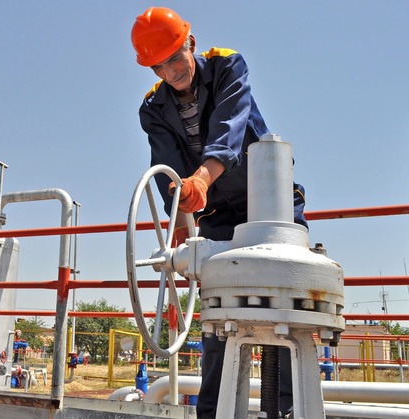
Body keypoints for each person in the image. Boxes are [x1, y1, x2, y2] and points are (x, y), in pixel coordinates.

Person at [130, 7, 306, 418]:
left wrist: (202, 180)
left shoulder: (228, 65)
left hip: (269, 202)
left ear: (190, 43)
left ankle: (287, 410)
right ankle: (212, 412)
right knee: (218, 320)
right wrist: (181, 230)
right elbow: (168, 168)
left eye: (176, 58)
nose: (172, 72)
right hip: (216, 215)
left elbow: (229, 130)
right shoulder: (153, 107)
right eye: (159, 66)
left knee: (285, 309)